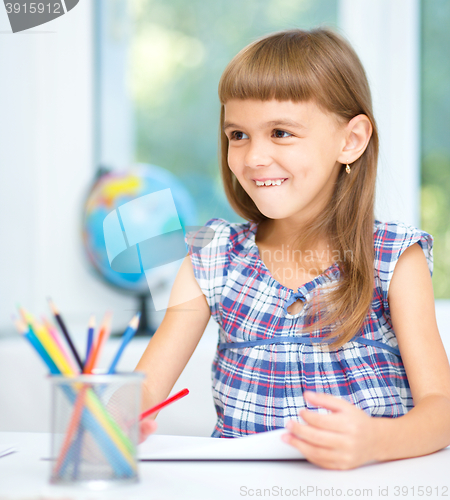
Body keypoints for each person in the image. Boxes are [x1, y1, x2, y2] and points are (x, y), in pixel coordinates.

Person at [135, 27, 450, 470]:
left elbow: (440, 411)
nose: (253, 157)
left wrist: (376, 441)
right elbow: (145, 388)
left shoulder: (395, 258)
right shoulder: (212, 255)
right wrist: (114, 416)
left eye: (280, 133)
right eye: (238, 135)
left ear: (351, 140)